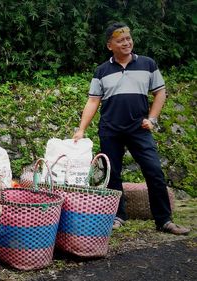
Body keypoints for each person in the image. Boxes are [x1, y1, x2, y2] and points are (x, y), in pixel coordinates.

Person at [72, 23, 190, 235]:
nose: (126, 43)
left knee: (154, 171)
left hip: (139, 128)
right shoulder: (102, 71)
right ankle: (118, 216)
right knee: (113, 174)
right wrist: (81, 129)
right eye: (120, 40)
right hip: (110, 129)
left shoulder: (147, 64)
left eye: (128, 38)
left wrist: (152, 119)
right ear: (110, 45)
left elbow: (160, 94)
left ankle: (164, 220)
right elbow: (92, 101)